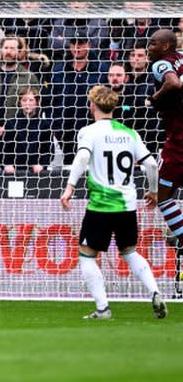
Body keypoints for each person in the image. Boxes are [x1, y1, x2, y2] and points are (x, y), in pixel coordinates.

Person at [60, 85, 165, 320]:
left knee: (87, 255)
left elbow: (84, 156)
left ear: (92, 106)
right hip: (127, 205)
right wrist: (154, 191)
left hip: (101, 205)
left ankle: (103, 308)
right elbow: (150, 164)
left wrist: (69, 187)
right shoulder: (130, 133)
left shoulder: (89, 131)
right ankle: (155, 291)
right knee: (129, 252)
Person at [145, 29, 183, 246]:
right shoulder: (181, 57)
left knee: (163, 195)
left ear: (166, 46)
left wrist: (154, 98)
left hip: (178, 140)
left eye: (153, 44)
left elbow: (173, 83)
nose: (149, 48)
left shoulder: (160, 64)